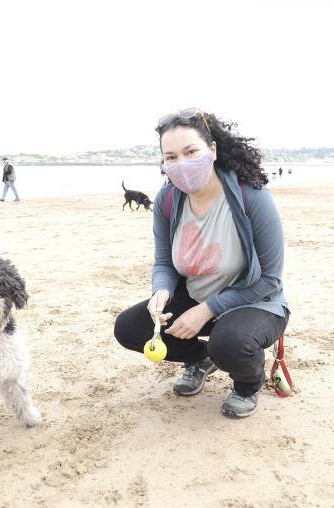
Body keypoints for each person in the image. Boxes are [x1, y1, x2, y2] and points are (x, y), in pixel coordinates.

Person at [113, 108, 289, 419]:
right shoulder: (167, 201)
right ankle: (202, 359)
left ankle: (248, 382)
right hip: (194, 294)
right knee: (130, 327)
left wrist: (208, 309)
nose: (181, 163)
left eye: (190, 151)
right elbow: (165, 262)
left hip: (257, 302)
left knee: (230, 343)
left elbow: (270, 279)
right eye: (171, 157)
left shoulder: (253, 197)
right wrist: (161, 292)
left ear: (212, 150)